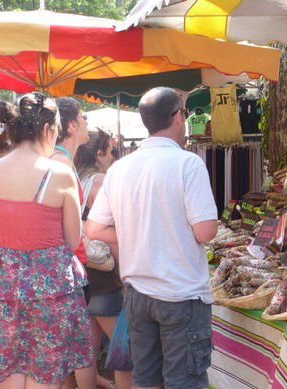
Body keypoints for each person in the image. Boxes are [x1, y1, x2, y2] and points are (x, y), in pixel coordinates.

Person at [86, 87, 218, 389]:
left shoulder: (120, 168)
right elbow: (205, 231)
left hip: (138, 295)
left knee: (145, 380)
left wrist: (138, 232)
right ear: (177, 117)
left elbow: (93, 229)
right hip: (181, 295)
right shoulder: (188, 163)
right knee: (183, 381)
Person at [0, 93, 93, 388]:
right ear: (48, 130)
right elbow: (73, 240)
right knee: (44, 373)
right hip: (48, 287)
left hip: (0, 284)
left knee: (7, 371)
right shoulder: (59, 174)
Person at [74, 128, 132, 389]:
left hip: (82, 269)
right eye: (111, 151)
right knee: (125, 352)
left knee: (87, 348)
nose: (113, 156)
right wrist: (125, 276)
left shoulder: (74, 178)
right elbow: (114, 232)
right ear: (99, 154)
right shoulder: (100, 182)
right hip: (104, 272)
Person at [52, 97, 96, 389]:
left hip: (66, 262)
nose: (87, 122)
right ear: (70, 125)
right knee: (76, 346)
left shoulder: (61, 160)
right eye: (84, 117)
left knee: (66, 347)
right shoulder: (59, 163)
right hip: (65, 264)